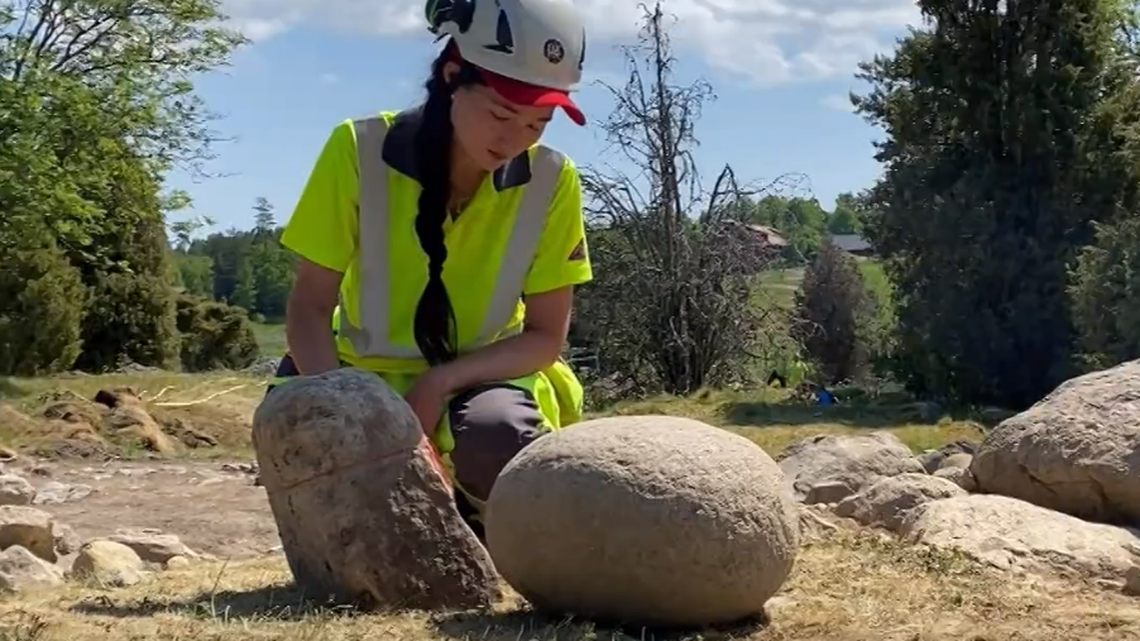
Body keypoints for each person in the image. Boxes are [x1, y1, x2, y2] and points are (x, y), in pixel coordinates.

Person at [267, 0, 592, 538]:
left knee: (498, 435)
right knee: (318, 436)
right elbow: (309, 308)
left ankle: (486, 524)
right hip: (357, 376)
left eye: (538, 122)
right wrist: (356, 412)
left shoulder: (554, 181)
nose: (516, 139)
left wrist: (439, 383)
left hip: (484, 381)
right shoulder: (356, 149)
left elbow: (543, 338)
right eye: (501, 114)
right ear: (451, 77)